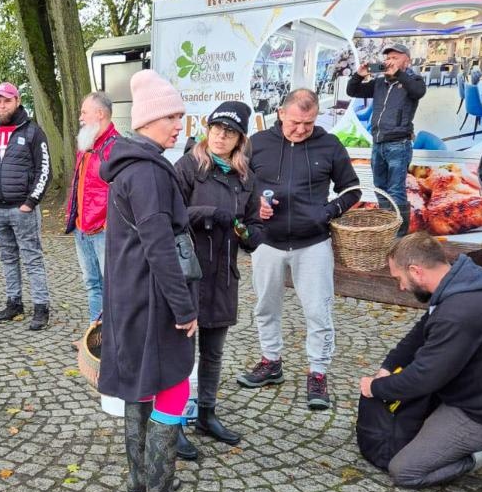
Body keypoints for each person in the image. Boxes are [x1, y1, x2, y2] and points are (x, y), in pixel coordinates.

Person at [99, 68, 204, 492]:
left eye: (179, 115)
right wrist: (184, 308)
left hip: (130, 294)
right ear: (147, 121)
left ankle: (140, 475)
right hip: (154, 296)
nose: (179, 124)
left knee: (141, 382)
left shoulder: (131, 166)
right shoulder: (149, 174)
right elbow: (160, 246)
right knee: (174, 384)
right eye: (171, 117)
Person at [237, 88, 361, 409]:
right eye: (295, 122)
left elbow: (353, 189)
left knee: (318, 310)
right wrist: (254, 208)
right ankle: (270, 361)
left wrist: (329, 211)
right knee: (265, 306)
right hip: (268, 241)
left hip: (313, 242)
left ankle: (317, 373)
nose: (302, 129)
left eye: (309, 122)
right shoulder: (257, 143)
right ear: (281, 113)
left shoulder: (329, 144)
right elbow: (240, 186)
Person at [360, 233, 482, 488]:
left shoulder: (458, 313)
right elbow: (418, 335)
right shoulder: (460, 284)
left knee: (405, 471)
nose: (401, 287)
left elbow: (424, 377)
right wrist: (386, 367)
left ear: (415, 271)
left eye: (399, 278)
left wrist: (375, 388)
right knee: (409, 432)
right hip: (476, 392)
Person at [176, 101, 262, 446]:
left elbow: (254, 223)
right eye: (215, 128)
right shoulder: (188, 166)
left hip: (224, 277)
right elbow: (174, 214)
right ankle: (175, 420)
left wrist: (252, 235)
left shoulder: (246, 177)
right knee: (181, 354)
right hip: (189, 274)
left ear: (240, 138)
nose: (220, 136)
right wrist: (210, 213)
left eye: (228, 132)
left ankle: (207, 414)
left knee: (213, 353)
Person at [0, 82, 52, 331]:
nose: (2, 105)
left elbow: (45, 169)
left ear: (17, 101)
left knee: (32, 257)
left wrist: (31, 202)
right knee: (8, 257)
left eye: (7, 100)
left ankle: (41, 307)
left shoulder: (32, 131)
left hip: (22, 209)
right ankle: (14, 302)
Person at [348, 43, 425, 235]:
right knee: (380, 189)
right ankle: (387, 230)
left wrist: (399, 74)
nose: (389, 61)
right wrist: (359, 74)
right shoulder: (379, 83)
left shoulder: (413, 80)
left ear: (406, 60)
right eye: (387, 58)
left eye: (394, 58)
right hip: (378, 144)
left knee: (396, 190)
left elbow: (418, 92)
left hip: (399, 144)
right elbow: (352, 91)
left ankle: (399, 237)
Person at [65, 92, 119, 324]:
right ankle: (94, 336)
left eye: (84, 112)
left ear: (100, 114)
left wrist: (108, 222)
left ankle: (114, 338)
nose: (80, 118)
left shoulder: (116, 147)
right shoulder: (86, 144)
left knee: (112, 286)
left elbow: (120, 192)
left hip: (104, 229)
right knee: (92, 284)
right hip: (82, 227)